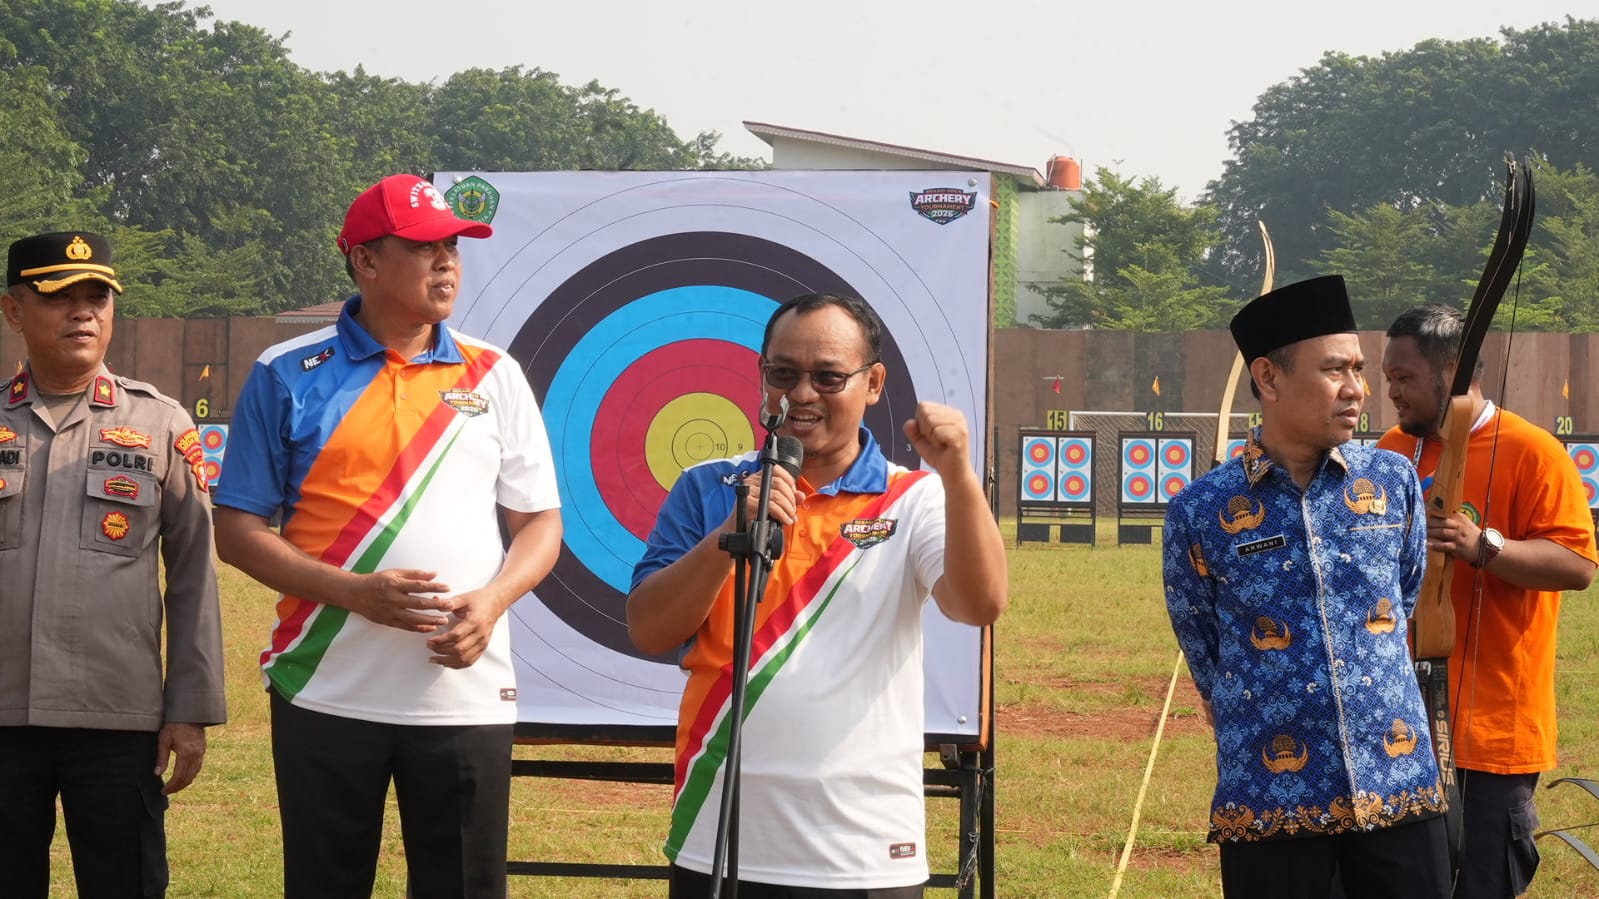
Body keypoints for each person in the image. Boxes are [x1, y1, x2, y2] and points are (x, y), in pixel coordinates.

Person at [213, 174, 564, 899]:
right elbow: (237, 530)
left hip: (461, 693)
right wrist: (352, 593)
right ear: (365, 262)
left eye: (454, 249)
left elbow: (540, 523)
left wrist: (494, 601)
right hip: (325, 687)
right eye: (425, 247)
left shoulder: (493, 373)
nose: (447, 264)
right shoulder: (285, 372)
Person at [626, 292, 1007, 897]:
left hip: (863, 850)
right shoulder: (708, 486)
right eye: (784, 373)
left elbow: (978, 604)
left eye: (829, 376)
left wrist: (959, 477)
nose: (803, 394)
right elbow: (648, 627)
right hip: (717, 837)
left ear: (873, 383)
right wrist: (731, 531)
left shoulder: (913, 498)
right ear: (762, 376)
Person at [1163, 275, 1451, 899]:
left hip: (1395, 787)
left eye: (1358, 368)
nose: (1359, 390)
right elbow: (1205, 647)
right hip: (1271, 806)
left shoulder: (1393, 481)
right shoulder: (1200, 512)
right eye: (1335, 371)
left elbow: (1402, 598)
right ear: (1268, 378)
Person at [0, 231, 227, 897]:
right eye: (59, 297)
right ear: (14, 309)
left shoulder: (160, 422)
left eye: (96, 297)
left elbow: (193, 572)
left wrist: (189, 705)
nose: (82, 312)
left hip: (117, 721)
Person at [1377, 304, 1597, 898]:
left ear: (1453, 371)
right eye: (1387, 379)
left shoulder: (1534, 452)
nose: (1391, 392)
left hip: (1493, 729)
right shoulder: (1392, 450)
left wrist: (1485, 546)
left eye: (1405, 379)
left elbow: (1578, 566)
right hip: (1400, 723)